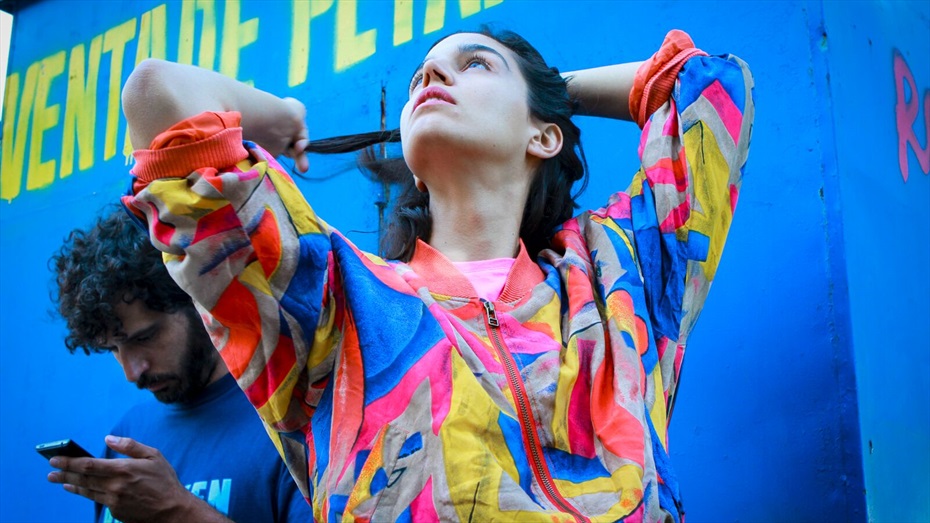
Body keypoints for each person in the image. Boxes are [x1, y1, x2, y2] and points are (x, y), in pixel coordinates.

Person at [102, 27, 752, 521]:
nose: (434, 72)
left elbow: (706, 90)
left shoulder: (619, 281)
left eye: (474, 65)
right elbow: (157, 94)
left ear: (545, 137)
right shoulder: (335, 301)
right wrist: (274, 117)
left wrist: (548, 89)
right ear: (413, 163)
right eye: (422, 76)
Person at [47, 209, 312, 523]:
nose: (133, 371)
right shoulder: (127, 436)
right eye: (113, 349)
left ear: (200, 300)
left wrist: (179, 510)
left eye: (145, 337)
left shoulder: (291, 420)